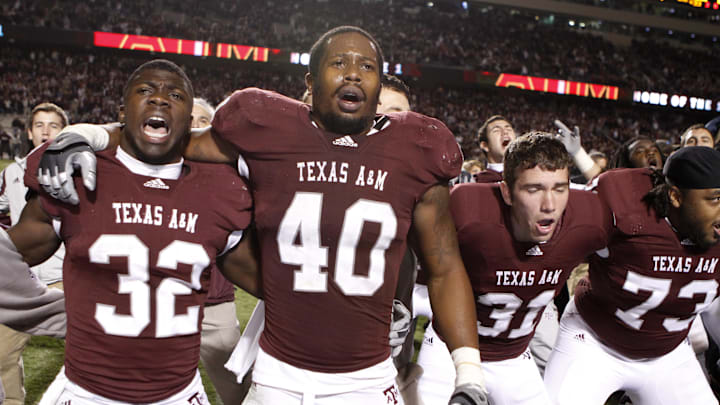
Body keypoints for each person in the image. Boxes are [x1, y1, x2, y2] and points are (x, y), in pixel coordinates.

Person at [37, 27, 488, 405]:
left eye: (367, 66)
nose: (353, 73)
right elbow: (168, 139)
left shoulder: (419, 147)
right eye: (339, 63)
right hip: (277, 374)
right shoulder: (265, 126)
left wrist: (468, 371)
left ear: (378, 83)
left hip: (367, 379)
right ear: (310, 83)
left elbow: (445, 266)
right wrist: (88, 133)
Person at [8, 59, 256, 404]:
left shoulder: (222, 191)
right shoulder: (77, 173)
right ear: (123, 111)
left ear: (192, 121)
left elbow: (273, 282)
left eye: (175, 94)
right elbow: (13, 253)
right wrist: (41, 308)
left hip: (177, 394)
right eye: (145, 90)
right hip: (84, 393)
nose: (160, 99)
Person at [416, 133, 612, 405]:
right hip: (449, 352)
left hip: (515, 357)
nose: (549, 205)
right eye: (533, 189)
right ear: (507, 192)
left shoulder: (589, 220)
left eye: (559, 188)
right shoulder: (469, 211)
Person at [544, 146, 720, 404]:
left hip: (668, 353)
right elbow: (551, 245)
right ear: (675, 196)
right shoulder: (622, 203)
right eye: (715, 199)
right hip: (593, 343)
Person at [0, 102, 68, 405]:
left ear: (64, 132)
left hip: (66, 279)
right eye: (39, 125)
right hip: (22, 284)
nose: (45, 131)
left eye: (53, 125)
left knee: (95, 352)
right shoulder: (11, 173)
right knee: (2, 355)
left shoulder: (77, 171)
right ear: (29, 132)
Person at [190, 96, 252, 404]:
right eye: (189, 120)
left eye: (203, 121)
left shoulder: (233, 179)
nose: (195, 127)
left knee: (237, 392)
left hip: (216, 307)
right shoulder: (150, 175)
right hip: (163, 306)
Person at [475, 115, 516, 183]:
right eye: (496, 130)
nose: (505, 132)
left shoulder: (531, 176)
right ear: (485, 146)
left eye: (509, 129)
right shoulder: (476, 182)